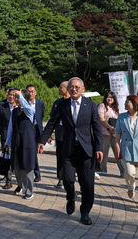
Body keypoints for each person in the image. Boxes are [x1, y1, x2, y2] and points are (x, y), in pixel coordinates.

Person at [39, 77, 103, 225]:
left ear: (83, 89)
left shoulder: (91, 106)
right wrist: (42, 141)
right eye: (71, 87)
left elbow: (97, 128)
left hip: (86, 150)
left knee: (87, 184)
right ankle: (70, 195)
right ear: (68, 89)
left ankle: (85, 212)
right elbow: (51, 123)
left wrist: (99, 148)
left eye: (76, 87)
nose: (74, 89)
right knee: (67, 179)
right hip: (68, 150)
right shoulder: (62, 105)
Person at [5, 89, 37, 200]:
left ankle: (29, 190)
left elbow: (27, 107)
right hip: (16, 141)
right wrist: (7, 142)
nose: (15, 99)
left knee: (27, 167)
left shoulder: (29, 110)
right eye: (16, 97)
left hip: (27, 142)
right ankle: (21, 186)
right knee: (17, 167)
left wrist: (21, 96)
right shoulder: (14, 111)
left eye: (18, 97)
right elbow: (11, 128)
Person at [0, 87, 17, 189]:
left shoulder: (21, 105)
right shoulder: (1, 105)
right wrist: (4, 132)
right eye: (9, 94)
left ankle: (21, 182)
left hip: (19, 137)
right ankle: (8, 181)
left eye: (13, 94)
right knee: (7, 159)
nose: (11, 96)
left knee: (17, 159)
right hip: (6, 136)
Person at [97, 92, 124, 178]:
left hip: (115, 133)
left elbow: (120, 119)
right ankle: (103, 169)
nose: (109, 99)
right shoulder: (102, 106)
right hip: (105, 132)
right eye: (108, 97)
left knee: (118, 151)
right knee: (104, 151)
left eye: (111, 98)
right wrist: (109, 128)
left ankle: (123, 171)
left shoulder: (116, 108)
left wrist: (115, 129)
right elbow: (101, 119)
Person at [49, 81, 70, 188]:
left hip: (72, 136)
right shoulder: (57, 103)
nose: (58, 89)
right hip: (60, 135)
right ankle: (61, 178)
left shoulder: (74, 102)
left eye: (60, 87)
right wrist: (49, 134)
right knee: (60, 157)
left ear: (67, 88)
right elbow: (52, 120)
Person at [26, 84, 45, 182]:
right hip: (28, 130)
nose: (31, 93)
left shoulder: (40, 103)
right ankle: (36, 173)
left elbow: (41, 117)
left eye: (32, 91)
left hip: (37, 130)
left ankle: (36, 173)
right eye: (28, 91)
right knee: (32, 152)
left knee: (34, 152)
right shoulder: (24, 104)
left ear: (36, 92)